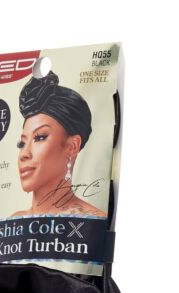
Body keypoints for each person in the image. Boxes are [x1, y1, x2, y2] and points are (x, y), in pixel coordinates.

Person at [11, 71, 107, 218]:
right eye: (21, 143)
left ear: (72, 146)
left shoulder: (95, 220)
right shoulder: (13, 220)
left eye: (40, 137)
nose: (24, 154)